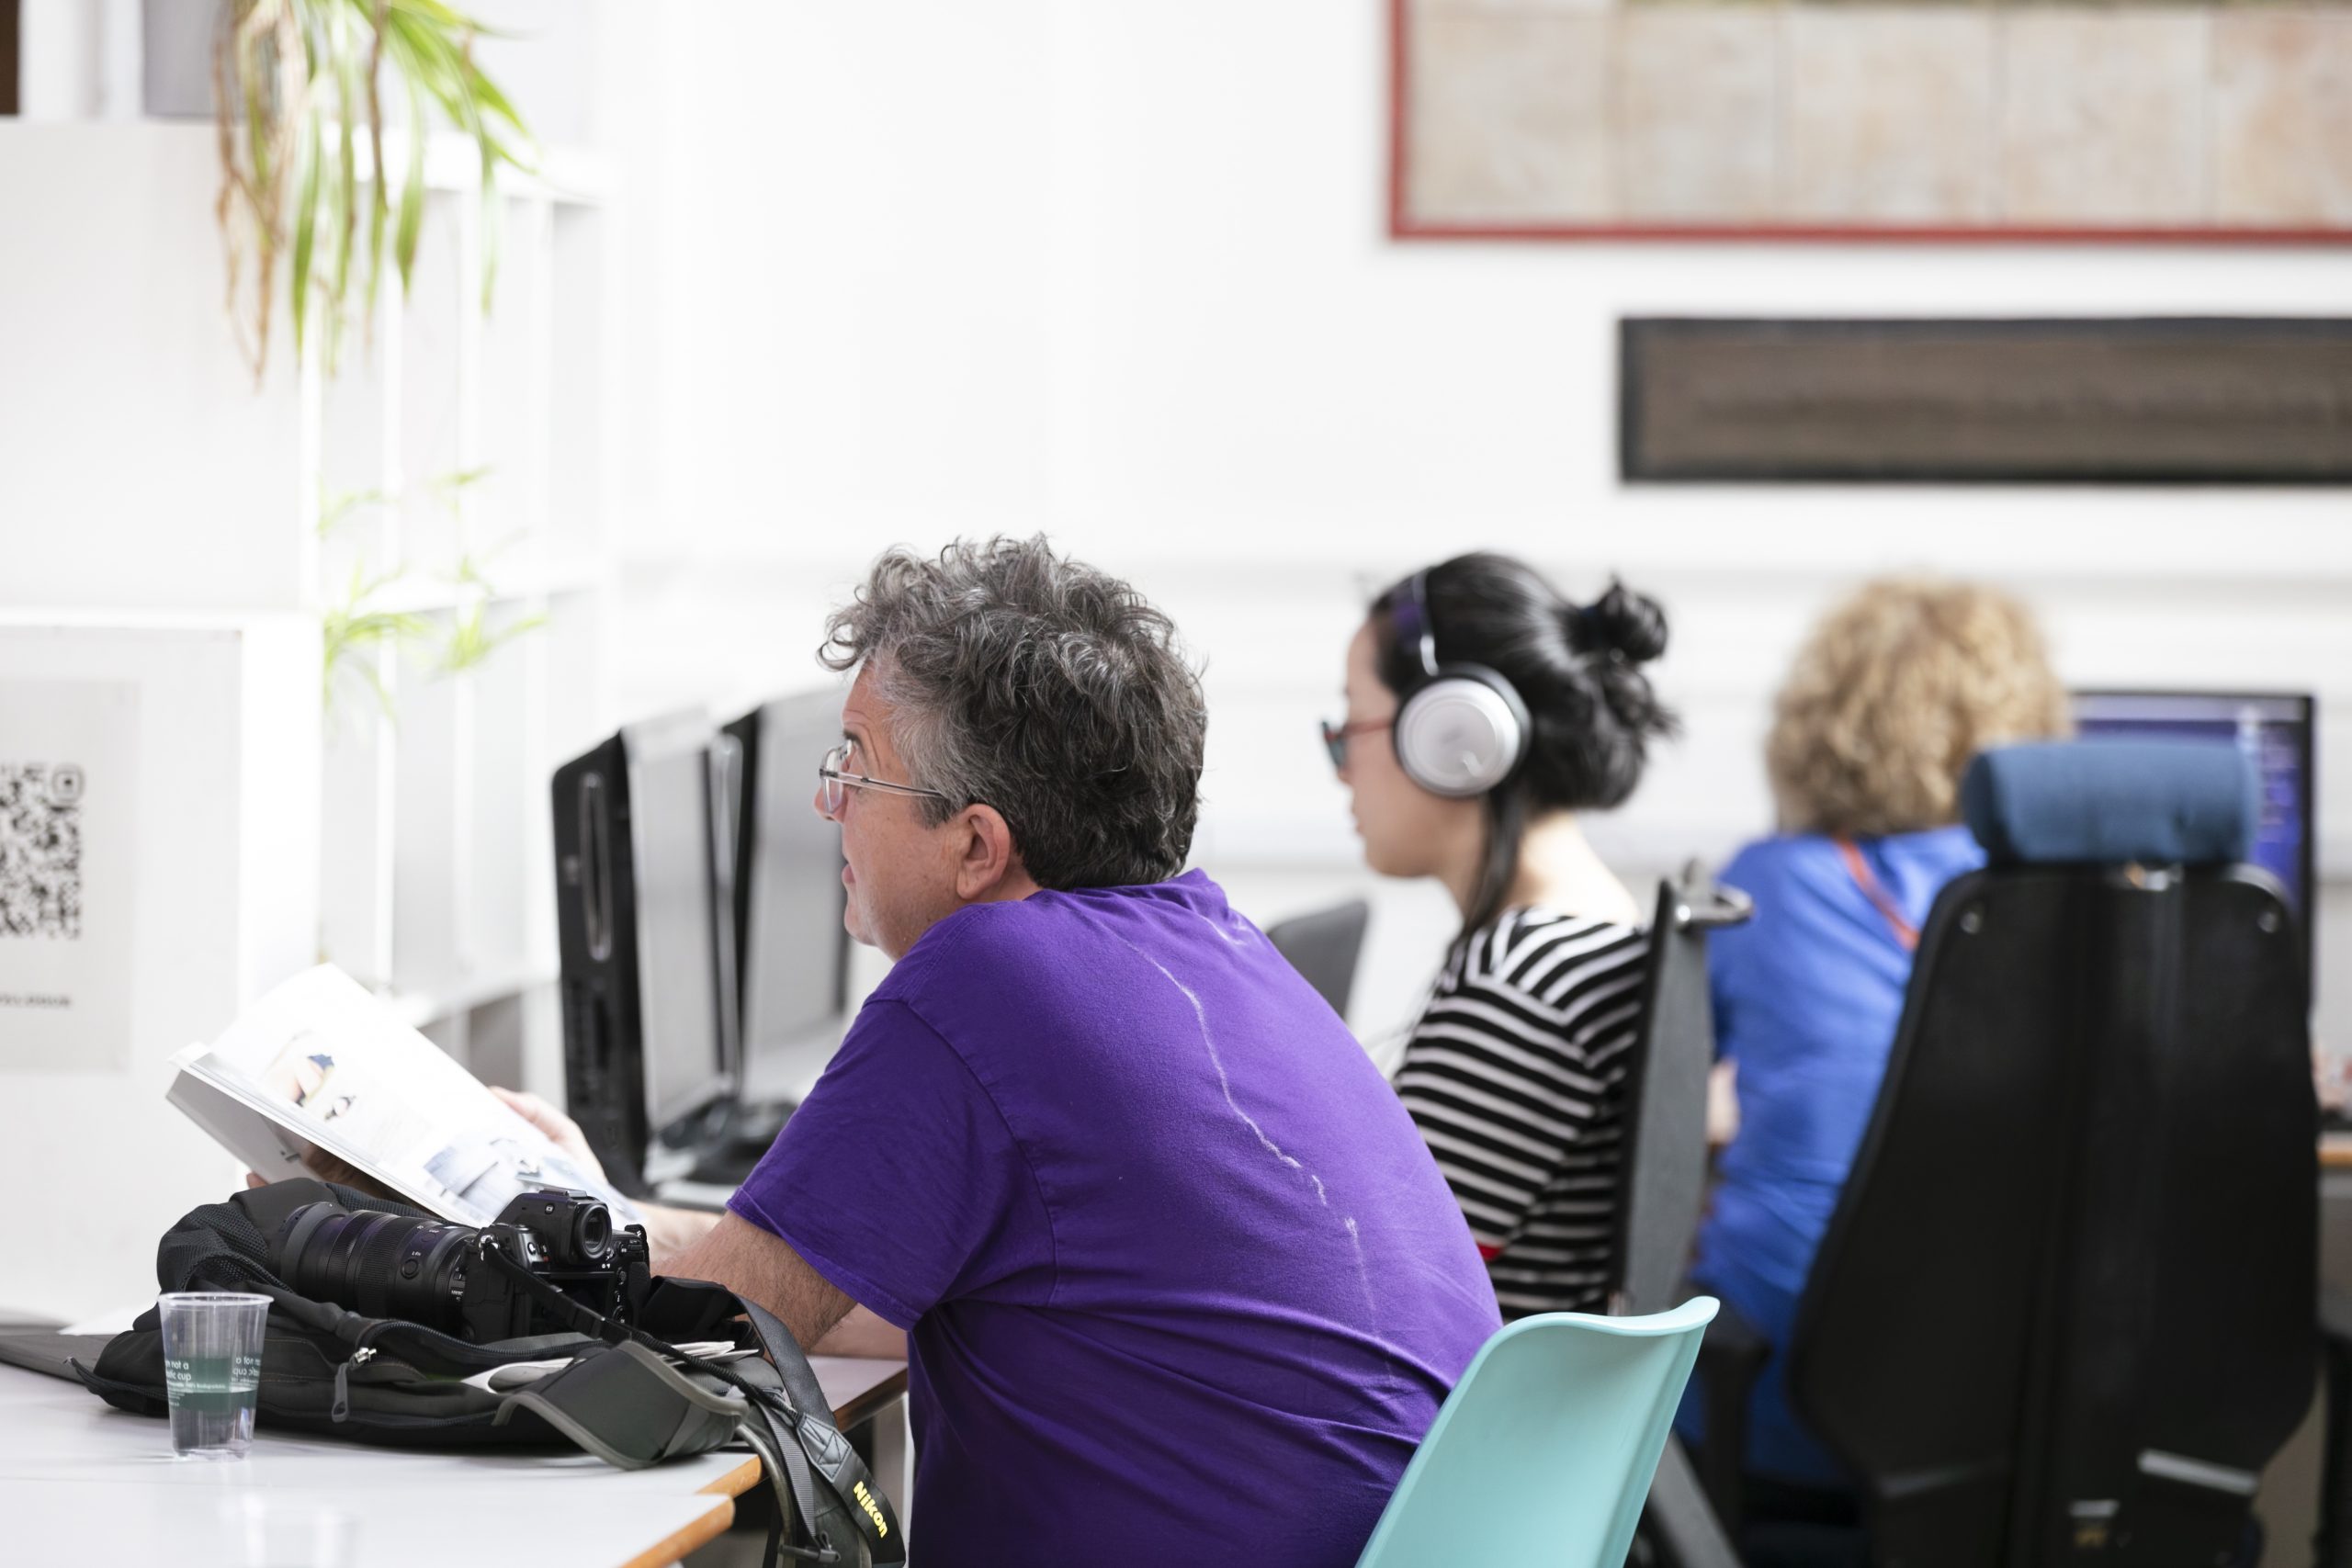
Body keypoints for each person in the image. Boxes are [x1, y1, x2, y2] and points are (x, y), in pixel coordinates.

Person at [509, 536, 1500, 1568]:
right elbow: (846, 1298)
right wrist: (612, 1223)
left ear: (976, 846)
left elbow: (694, 1346)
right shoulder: (1210, 947)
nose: (826, 802)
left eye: (854, 764)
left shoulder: (987, 975)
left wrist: (440, 1238)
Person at [1682, 577, 2070, 1500]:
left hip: (1784, 1405)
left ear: (1819, 723)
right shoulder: (2079, 901)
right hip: (2030, 1419)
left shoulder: (1761, 887)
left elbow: (1659, 1098)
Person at [1324, 552, 1677, 1316]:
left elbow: (1369, 1283)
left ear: (1453, 735)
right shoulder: (1590, 928)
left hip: (1446, 1429)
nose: (1342, 767)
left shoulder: (1522, 981)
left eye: (1350, 726)